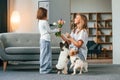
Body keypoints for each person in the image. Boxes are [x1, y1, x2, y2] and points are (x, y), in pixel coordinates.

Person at [37, 7, 61, 74]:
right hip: (46, 40)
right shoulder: (44, 22)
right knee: (47, 55)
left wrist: (52, 24)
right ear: (44, 14)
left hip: (43, 40)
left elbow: (46, 27)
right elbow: (49, 31)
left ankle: (44, 69)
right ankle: (45, 70)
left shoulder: (40, 21)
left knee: (44, 55)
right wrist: (57, 29)